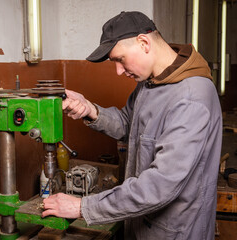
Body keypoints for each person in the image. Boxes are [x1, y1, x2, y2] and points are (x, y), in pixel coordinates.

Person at [42, 11, 222, 239]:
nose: (118, 71)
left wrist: (82, 207)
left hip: (175, 231)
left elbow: (160, 185)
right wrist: (90, 109)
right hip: (140, 221)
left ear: (144, 42)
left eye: (120, 59)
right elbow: (129, 124)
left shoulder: (191, 98)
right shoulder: (151, 82)